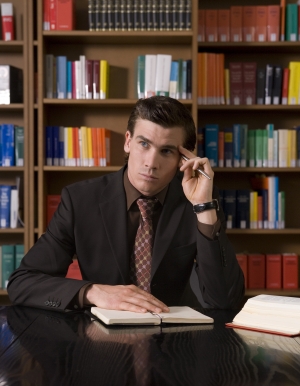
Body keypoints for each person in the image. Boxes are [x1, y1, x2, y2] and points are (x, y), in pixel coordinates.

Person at [8, 96, 244, 313]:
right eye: (144, 144)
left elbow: (224, 300)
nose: (151, 163)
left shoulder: (199, 201)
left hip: (175, 341)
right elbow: (23, 281)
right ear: (128, 142)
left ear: (184, 159)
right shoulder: (80, 200)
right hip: (100, 340)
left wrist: (204, 208)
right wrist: (91, 292)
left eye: (166, 151)